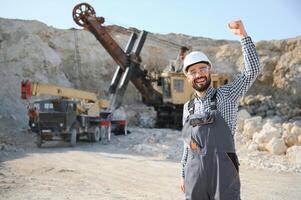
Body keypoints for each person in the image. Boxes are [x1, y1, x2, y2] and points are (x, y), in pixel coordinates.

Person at [180, 20, 262, 200]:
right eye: (193, 71)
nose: (199, 74)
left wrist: (243, 36)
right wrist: (184, 173)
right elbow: (188, 143)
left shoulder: (227, 94)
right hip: (195, 173)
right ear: (188, 77)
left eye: (203, 68)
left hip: (224, 171)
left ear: (210, 70)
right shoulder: (188, 107)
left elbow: (253, 70)